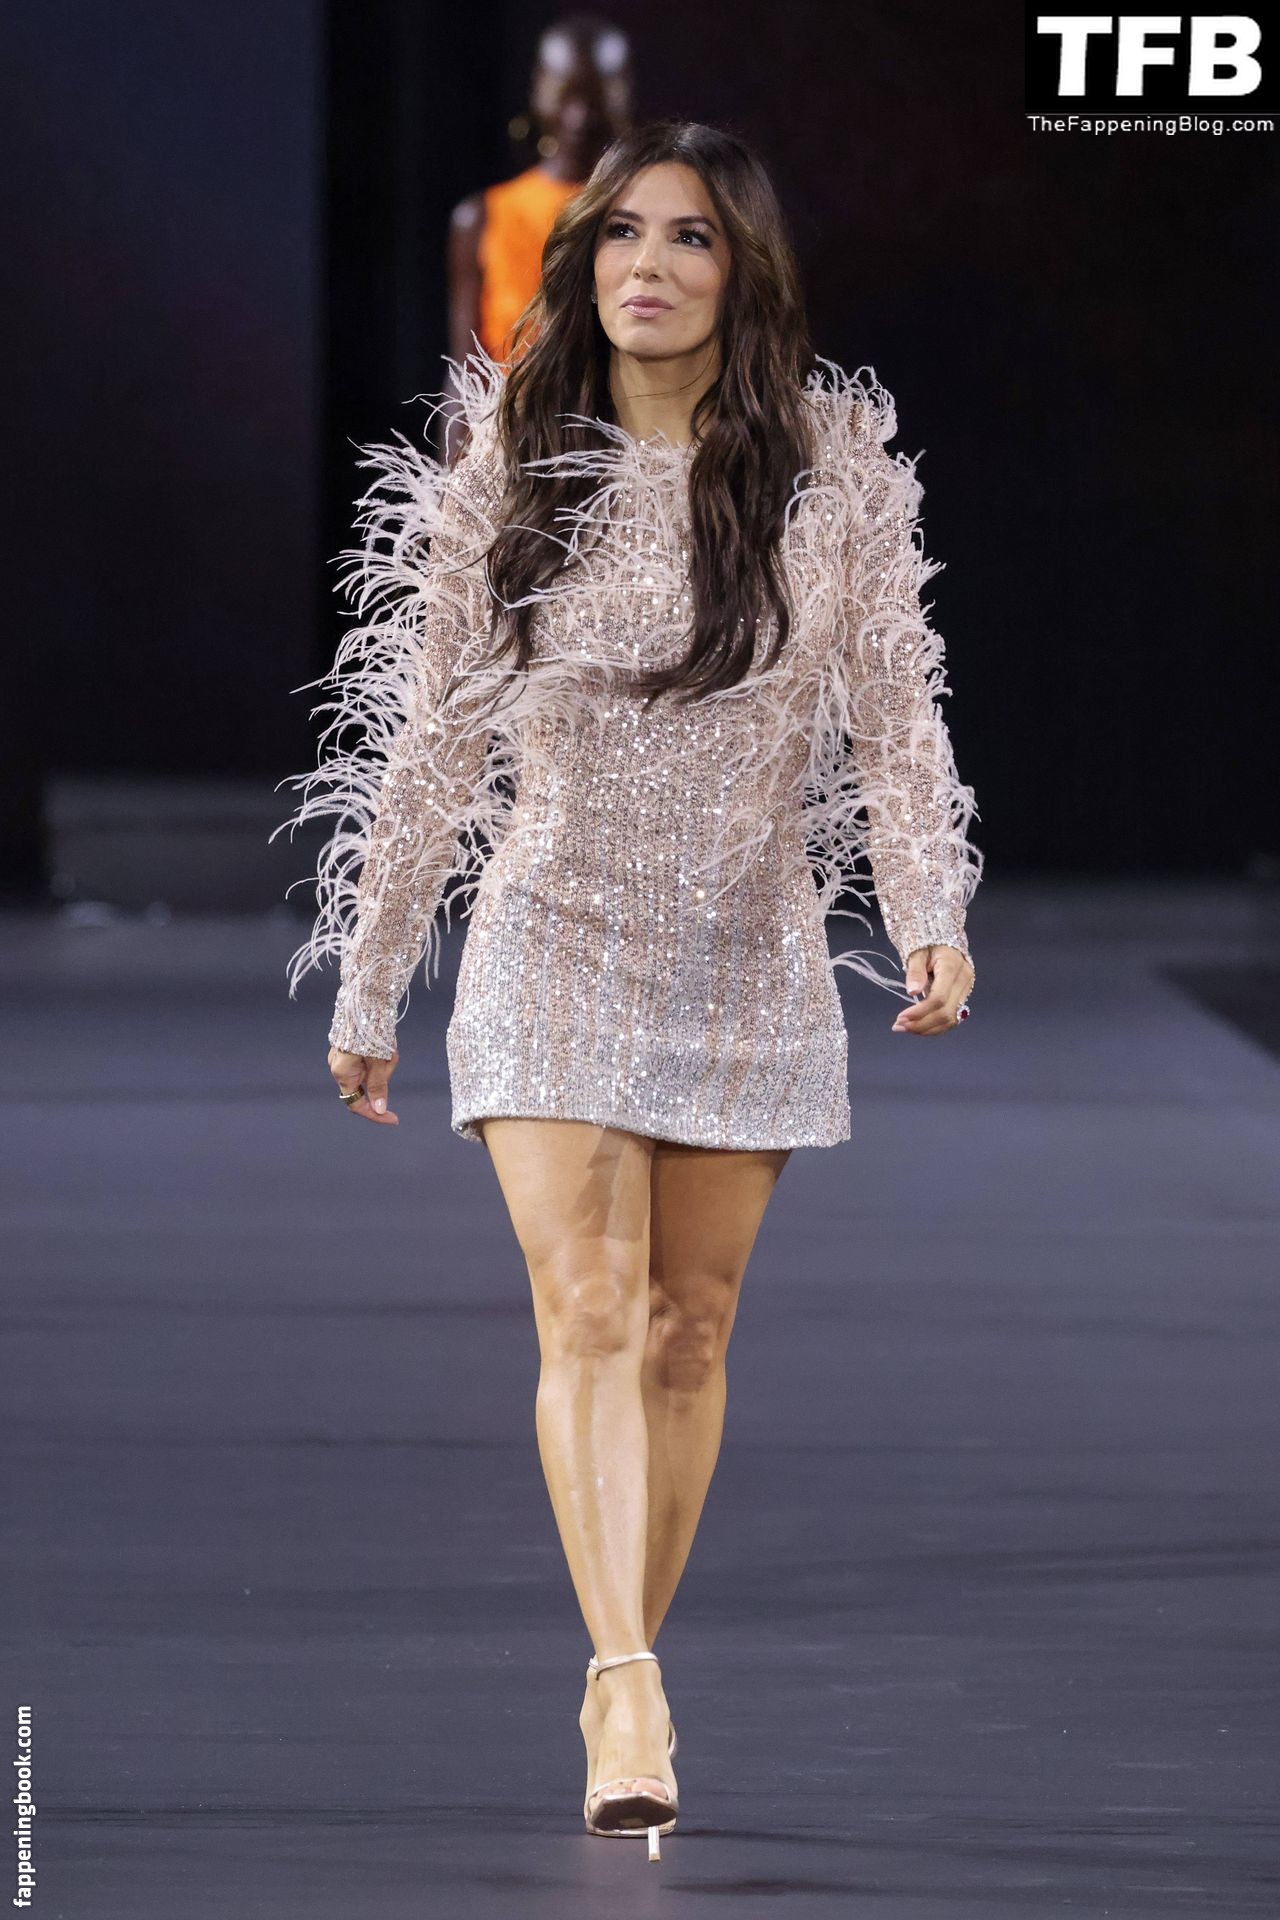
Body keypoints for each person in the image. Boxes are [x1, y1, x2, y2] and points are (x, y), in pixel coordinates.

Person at [274, 118, 982, 1856]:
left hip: (747, 942)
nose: (648, 267)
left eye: (689, 238)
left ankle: (622, 1656)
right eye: (620, 236)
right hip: (553, 934)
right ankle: (628, 1679)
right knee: (588, 1306)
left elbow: (896, 715)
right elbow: (429, 747)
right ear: (580, 264)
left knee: (688, 1327)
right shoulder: (508, 465)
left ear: (744, 272)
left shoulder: (831, 474)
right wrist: (373, 976)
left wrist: (927, 901)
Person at [444, 12, 633, 461]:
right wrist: (446, 484)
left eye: (596, 95)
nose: (580, 114)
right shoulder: (484, 217)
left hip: (619, 453)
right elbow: (464, 373)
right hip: (508, 454)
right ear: (540, 88)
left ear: (621, 92)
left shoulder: (643, 216)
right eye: (567, 93)